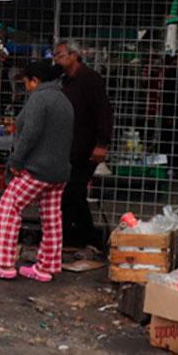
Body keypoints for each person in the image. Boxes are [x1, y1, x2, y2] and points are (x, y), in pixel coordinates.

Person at [0, 60, 74, 282]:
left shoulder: (39, 98)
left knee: (8, 207)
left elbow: (30, 134)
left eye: (27, 83)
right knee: (52, 218)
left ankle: (4, 264)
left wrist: (16, 161)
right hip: (59, 170)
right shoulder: (64, 100)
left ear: (35, 80)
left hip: (37, 169)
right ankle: (46, 268)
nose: (27, 87)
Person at [54, 40, 113, 248]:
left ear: (74, 55)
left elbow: (104, 112)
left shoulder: (90, 79)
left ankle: (85, 237)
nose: (57, 59)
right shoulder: (65, 81)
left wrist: (102, 143)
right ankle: (81, 237)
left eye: (60, 55)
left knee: (74, 191)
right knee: (71, 193)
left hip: (86, 147)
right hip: (69, 146)